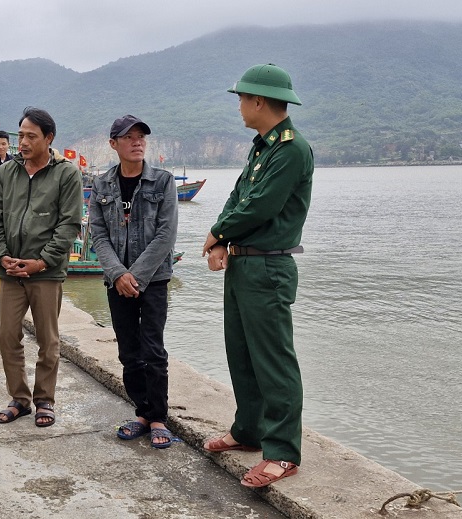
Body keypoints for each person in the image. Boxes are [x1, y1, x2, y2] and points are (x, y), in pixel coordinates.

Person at [201, 63, 313, 488]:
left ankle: (283, 452)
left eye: (243, 98)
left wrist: (216, 233)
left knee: (274, 359)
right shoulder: (263, 147)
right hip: (244, 260)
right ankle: (248, 431)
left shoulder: (291, 149)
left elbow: (261, 206)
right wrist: (219, 242)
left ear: (260, 100)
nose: (240, 106)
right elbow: (238, 196)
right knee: (242, 353)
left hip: (269, 264)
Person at [0, 107, 82, 428]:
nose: (23, 142)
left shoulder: (66, 173)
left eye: (31, 136)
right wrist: (2, 256)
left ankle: (44, 400)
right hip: (11, 271)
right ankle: (20, 398)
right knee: (6, 336)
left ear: (48, 138)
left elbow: (69, 225)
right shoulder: (7, 172)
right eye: (20, 135)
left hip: (47, 272)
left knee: (48, 340)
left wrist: (42, 261)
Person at [89, 115, 179, 449]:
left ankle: (158, 418)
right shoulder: (102, 185)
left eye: (141, 136)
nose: (137, 142)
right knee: (129, 351)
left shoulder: (163, 181)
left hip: (153, 280)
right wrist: (118, 274)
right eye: (129, 137)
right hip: (117, 281)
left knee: (153, 350)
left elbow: (166, 234)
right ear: (114, 144)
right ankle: (141, 412)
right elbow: (98, 234)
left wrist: (135, 276)